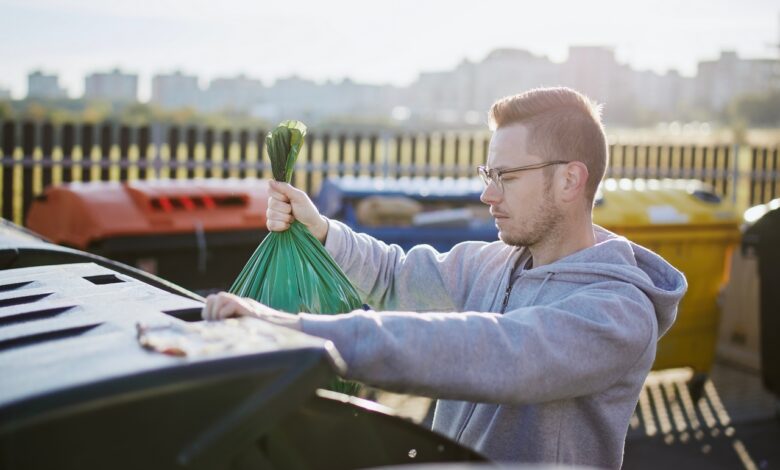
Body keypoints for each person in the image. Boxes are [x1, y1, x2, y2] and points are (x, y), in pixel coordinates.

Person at [202, 87, 687, 469]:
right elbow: (395, 275)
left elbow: (495, 351)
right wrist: (321, 229)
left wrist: (297, 333)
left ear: (569, 180)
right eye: (487, 174)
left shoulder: (618, 313)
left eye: (507, 177)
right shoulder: (492, 262)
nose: (487, 196)